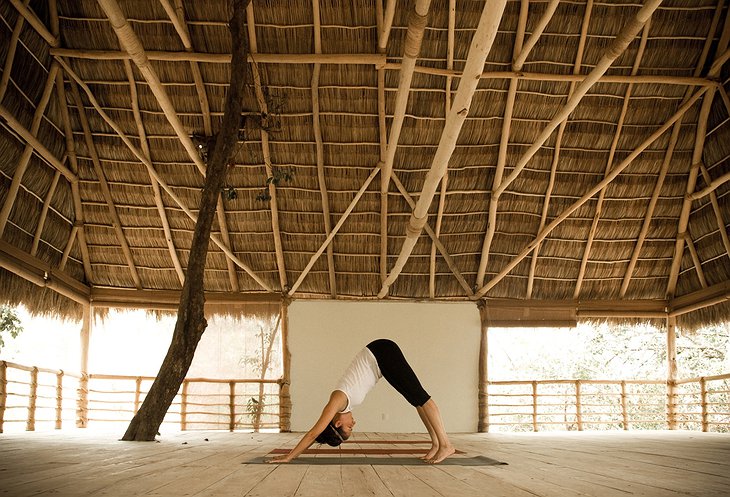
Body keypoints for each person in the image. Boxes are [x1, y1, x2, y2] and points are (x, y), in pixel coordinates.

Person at [268, 338, 455, 464]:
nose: (354, 424)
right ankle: (436, 444)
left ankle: (446, 444)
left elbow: (313, 433)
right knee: (416, 400)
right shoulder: (345, 404)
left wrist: (289, 457)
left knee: (422, 397)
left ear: (338, 422)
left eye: (349, 428)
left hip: (381, 353)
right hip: (381, 362)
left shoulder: (337, 401)